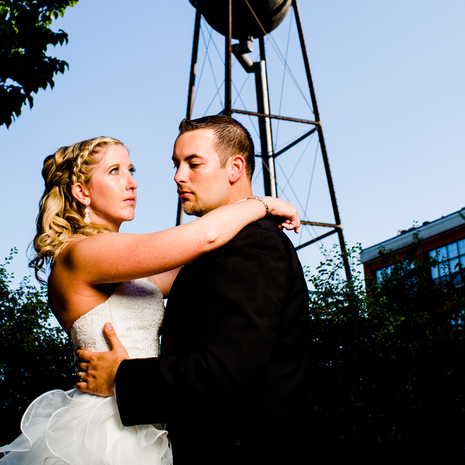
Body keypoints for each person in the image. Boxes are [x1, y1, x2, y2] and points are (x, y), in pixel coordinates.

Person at [0, 135, 300, 465]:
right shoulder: (82, 254)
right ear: (82, 192)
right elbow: (205, 236)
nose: (132, 183)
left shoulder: (128, 269)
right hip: (105, 429)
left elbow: (205, 270)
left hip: (147, 415)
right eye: (114, 171)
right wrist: (261, 205)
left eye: (131, 169)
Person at [76, 116, 311, 465]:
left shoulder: (253, 245)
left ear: (235, 168)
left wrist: (120, 377)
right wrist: (261, 204)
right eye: (176, 164)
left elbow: (225, 378)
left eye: (193, 164)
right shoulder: (211, 251)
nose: (178, 176)